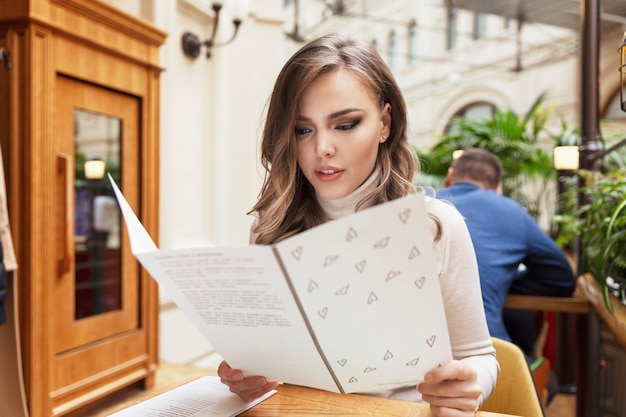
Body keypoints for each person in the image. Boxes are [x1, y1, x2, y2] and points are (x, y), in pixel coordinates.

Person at [217, 33, 499, 416]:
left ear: (385, 123)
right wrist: (245, 380)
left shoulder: (435, 226)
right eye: (303, 129)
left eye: (345, 125)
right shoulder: (269, 230)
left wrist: (470, 383)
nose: (322, 149)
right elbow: (264, 369)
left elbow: (480, 355)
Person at [435, 148, 576, 356]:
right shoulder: (511, 211)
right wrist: (500, 279)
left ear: (449, 176)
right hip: (481, 355)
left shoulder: (420, 202)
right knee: (546, 378)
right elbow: (561, 279)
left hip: (409, 351)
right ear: (497, 188)